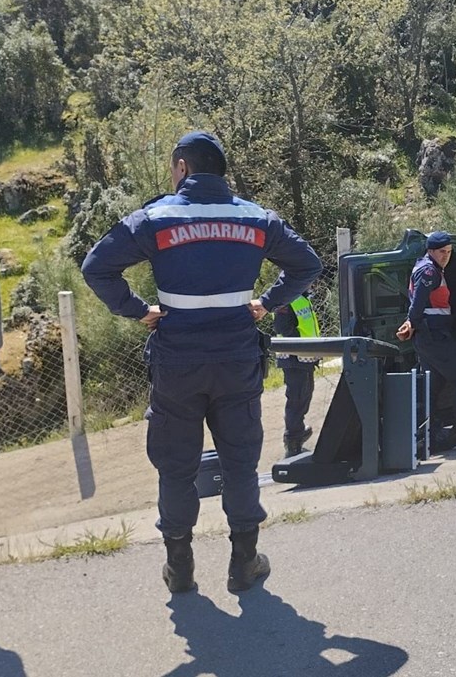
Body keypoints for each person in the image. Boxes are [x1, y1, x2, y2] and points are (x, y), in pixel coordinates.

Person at [82, 131, 322, 594]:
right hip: (237, 360)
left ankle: (181, 568)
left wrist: (138, 310)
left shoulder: (155, 217)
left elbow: (97, 267)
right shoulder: (256, 219)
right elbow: (307, 264)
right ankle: (244, 564)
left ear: (182, 167)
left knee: (176, 466)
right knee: (239, 462)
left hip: (177, 363)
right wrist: (268, 303)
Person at [396, 232, 456, 451]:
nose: (446, 256)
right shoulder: (429, 270)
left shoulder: (429, 267)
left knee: (433, 387)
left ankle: (428, 436)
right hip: (434, 335)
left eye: (449, 252)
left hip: (431, 336)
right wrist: (410, 322)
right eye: (441, 252)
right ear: (431, 251)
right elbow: (418, 302)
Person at [273, 291, 320, 458]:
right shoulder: (286, 298)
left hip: (305, 356)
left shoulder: (303, 298)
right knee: (297, 397)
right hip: (294, 356)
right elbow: (282, 327)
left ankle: (297, 432)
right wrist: (300, 344)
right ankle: (292, 440)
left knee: (305, 394)